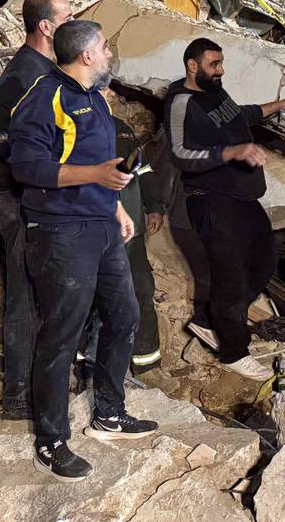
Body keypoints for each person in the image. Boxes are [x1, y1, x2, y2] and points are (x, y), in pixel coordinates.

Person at [9, 20, 158, 482]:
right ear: (87, 55)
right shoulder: (44, 96)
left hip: (101, 228)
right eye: (105, 46)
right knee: (61, 333)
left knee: (124, 315)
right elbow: (27, 166)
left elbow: (98, 163)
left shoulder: (94, 96)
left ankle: (109, 413)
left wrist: (115, 208)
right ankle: (51, 440)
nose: (110, 52)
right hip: (61, 231)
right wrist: (96, 177)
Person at [163, 38, 285, 380]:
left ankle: (209, 322)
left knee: (265, 258)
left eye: (221, 63)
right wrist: (232, 153)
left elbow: (237, 115)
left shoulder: (215, 92)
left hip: (241, 196)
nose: (221, 70)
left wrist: (276, 105)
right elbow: (180, 153)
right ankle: (233, 352)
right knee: (231, 276)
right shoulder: (181, 102)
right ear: (192, 65)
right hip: (210, 200)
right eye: (214, 64)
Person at [0, 0, 73, 421]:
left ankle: (38, 386)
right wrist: (10, 164)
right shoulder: (29, 76)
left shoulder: (38, 71)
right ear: (47, 27)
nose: (72, 25)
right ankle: (18, 395)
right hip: (22, 201)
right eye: (68, 18)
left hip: (31, 198)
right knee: (27, 298)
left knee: (43, 295)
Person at [109, 92, 165, 373]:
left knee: (141, 291)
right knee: (96, 300)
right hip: (97, 236)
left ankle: (146, 363)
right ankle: (89, 369)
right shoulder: (69, 130)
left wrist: (155, 206)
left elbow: (143, 171)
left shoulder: (121, 130)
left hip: (132, 235)